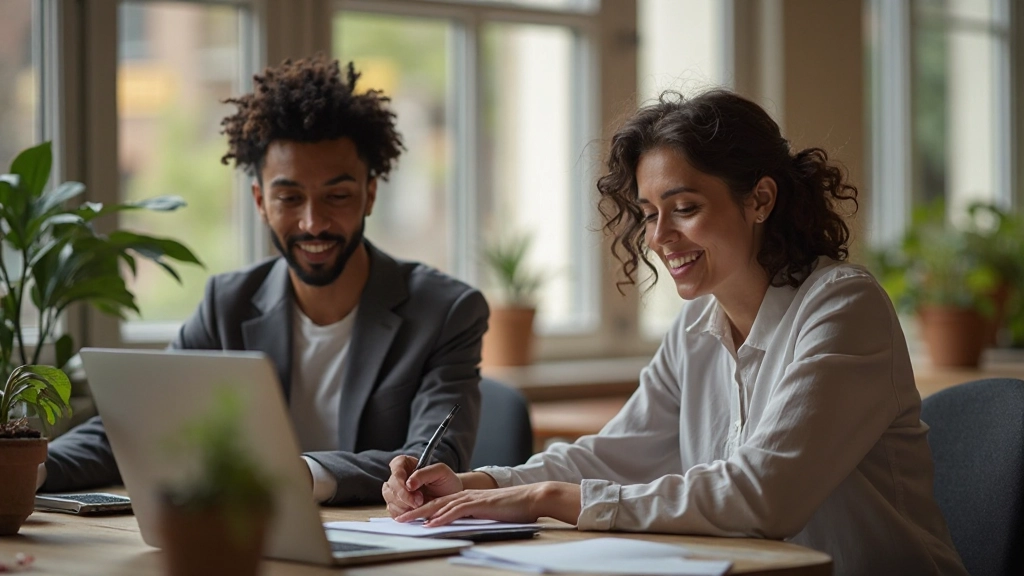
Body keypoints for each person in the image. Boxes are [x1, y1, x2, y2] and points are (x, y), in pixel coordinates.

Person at [382, 90, 967, 575]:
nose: (659, 237)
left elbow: (764, 496)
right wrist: (473, 484)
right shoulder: (696, 325)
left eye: (683, 207)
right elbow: (615, 455)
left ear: (760, 199)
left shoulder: (843, 306)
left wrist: (543, 498)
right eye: (648, 213)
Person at [41, 55, 489, 506]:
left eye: (337, 196)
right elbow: (137, 425)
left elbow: (432, 464)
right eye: (290, 197)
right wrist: (31, 468)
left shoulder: (446, 312)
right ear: (260, 201)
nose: (313, 223)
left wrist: (301, 473)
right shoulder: (228, 303)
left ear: (370, 194)